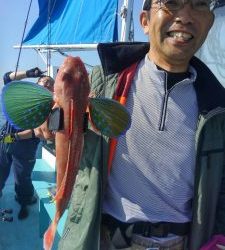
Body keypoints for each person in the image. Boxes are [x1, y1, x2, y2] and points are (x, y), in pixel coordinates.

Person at [58, 0, 225, 249]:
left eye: (199, 4)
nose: (185, 16)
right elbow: (68, 132)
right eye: (171, 3)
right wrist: (52, 121)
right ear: (145, 21)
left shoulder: (218, 108)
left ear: (209, 23)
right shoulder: (104, 81)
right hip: (103, 238)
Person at [0, 67, 54, 220]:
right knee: (1, 169)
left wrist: (14, 137)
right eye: (43, 81)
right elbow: (7, 78)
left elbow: (38, 133)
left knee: (22, 178)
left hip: (25, 147)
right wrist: (29, 73)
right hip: (5, 140)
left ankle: (24, 202)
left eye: (50, 83)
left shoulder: (51, 109)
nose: (46, 84)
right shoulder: (24, 97)